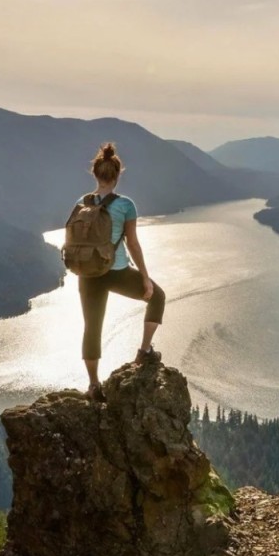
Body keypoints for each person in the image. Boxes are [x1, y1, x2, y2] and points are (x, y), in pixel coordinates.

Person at [76, 142, 165, 401]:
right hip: (116, 271)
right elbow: (133, 244)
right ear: (117, 175)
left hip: (88, 275)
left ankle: (93, 385)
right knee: (157, 296)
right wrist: (145, 277)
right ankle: (145, 351)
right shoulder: (125, 205)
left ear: (95, 174)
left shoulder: (82, 201)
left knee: (92, 327)